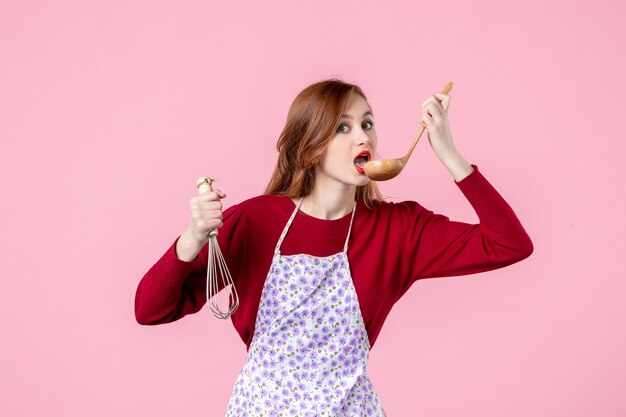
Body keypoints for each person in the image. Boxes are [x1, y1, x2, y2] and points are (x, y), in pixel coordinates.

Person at [134, 79, 534, 416]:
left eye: (368, 123)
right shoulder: (257, 221)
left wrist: (449, 154)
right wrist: (191, 238)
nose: (364, 136)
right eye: (343, 128)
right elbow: (150, 309)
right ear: (310, 148)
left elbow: (509, 244)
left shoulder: (399, 229)